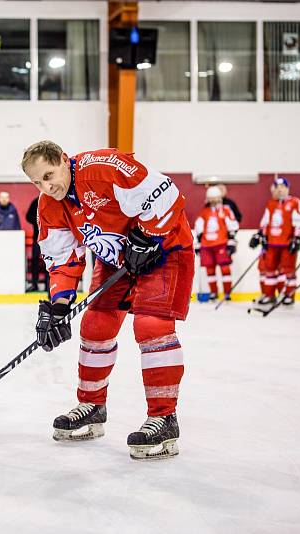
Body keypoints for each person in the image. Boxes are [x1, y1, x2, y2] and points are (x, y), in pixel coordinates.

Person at [21, 141, 194, 461]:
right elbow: (62, 261)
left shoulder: (103, 168)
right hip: (116, 260)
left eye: (49, 174)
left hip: (164, 249)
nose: (47, 186)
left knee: (150, 326)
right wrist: (58, 306)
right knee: (95, 325)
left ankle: (164, 418)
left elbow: (166, 192)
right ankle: (92, 406)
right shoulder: (50, 205)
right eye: (37, 182)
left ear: (63, 159)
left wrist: (148, 235)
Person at [249, 176, 300, 308]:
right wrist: (259, 235)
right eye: (277, 187)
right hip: (272, 243)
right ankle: (269, 295)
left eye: (282, 187)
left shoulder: (295, 202)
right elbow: (266, 221)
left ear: (287, 188)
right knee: (269, 270)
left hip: (287, 243)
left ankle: (288, 296)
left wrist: (297, 238)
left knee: (288, 270)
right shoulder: (271, 203)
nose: (280, 190)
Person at [194, 186, 239, 301]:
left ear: (220, 198)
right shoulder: (204, 212)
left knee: (225, 269)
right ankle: (213, 292)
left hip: (221, 243)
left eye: (215, 198)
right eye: (211, 198)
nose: (213, 201)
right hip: (207, 245)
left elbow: (232, 226)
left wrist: (231, 242)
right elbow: (199, 228)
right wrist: (198, 244)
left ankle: (227, 293)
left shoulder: (226, 210)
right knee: (210, 270)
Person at [25, 195, 48, 292]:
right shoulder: (36, 201)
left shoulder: (52, 200)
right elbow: (28, 216)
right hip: (37, 237)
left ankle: (48, 285)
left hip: (49, 238)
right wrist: (38, 222)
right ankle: (34, 284)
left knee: (48, 261)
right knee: (35, 259)